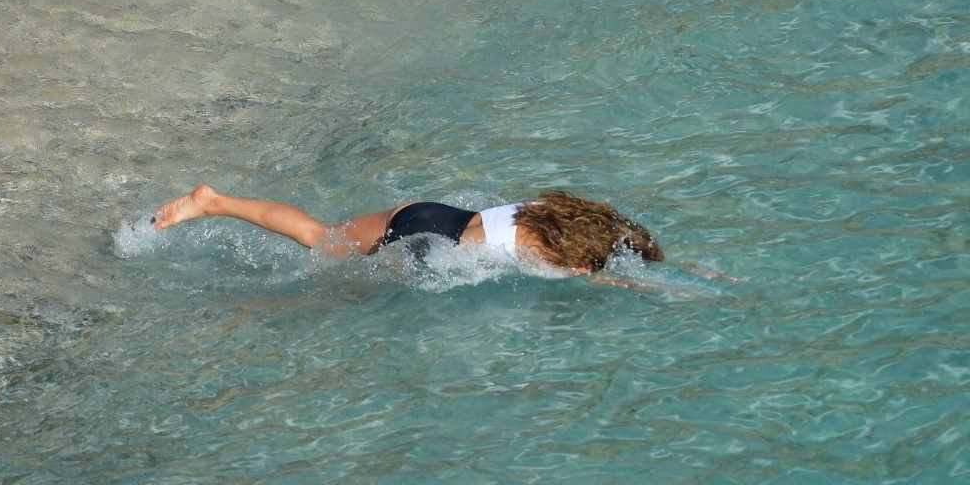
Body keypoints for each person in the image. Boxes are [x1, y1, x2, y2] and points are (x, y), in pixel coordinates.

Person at [152, 185, 664, 276]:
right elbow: (605, 277)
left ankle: (213, 202)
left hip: (427, 212)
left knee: (319, 235)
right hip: (425, 243)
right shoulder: (556, 258)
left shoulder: (547, 213)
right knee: (332, 288)